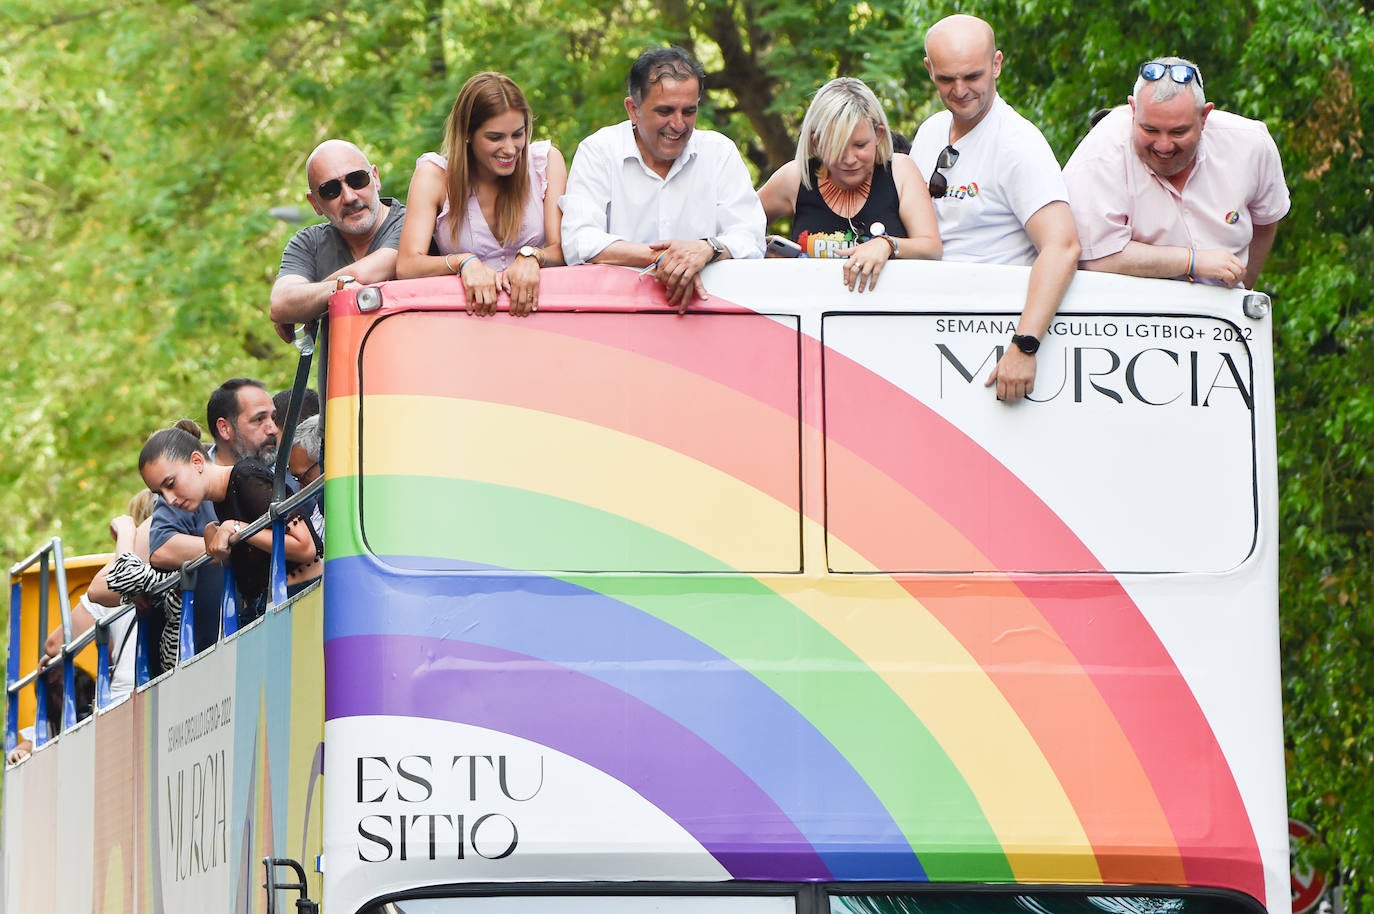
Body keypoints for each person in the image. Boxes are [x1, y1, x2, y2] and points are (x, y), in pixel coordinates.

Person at [913, 14, 1081, 402]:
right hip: (927, 329)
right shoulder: (930, 131)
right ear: (929, 69)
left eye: (972, 77)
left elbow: (1063, 247)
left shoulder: (1018, 145)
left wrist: (1024, 346)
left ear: (997, 64)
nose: (960, 90)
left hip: (993, 341)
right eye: (946, 79)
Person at [560, 46, 766, 312]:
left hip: (706, 314)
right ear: (633, 109)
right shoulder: (599, 151)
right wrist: (669, 258)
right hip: (617, 315)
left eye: (689, 112)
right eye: (665, 111)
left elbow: (751, 236)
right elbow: (579, 241)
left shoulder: (719, 152)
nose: (679, 124)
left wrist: (708, 249)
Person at [1062, 57, 1290, 289]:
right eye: (1149, 129)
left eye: (1178, 132)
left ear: (1204, 117)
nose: (1164, 145)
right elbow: (1095, 258)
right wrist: (1192, 261)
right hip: (1127, 315)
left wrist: (1242, 293)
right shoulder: (1100, 152)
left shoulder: (1250, 144)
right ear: (1133, 110)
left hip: (1221, 314)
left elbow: (1267, 218)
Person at [397, 72, 567, 316]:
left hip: (541, 317)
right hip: (466, 322)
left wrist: (532, 256)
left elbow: (563, 249)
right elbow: (407, 265)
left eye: (517, 134)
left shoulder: (546, 162)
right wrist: (463, 262)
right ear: (467, 133)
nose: (510, 149)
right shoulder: (434, 176)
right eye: (495, 137)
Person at [756, 77, 941, 292]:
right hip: (810, 316)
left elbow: (931, 247)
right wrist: (762, 251)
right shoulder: (795, 176)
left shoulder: (900, 170)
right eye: (837, 147)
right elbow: (738, 227)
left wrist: (887, 245)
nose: (850, 158)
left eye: (860, 145)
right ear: (816, 142)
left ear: (879, 134)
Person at [141, 422, 322, 626]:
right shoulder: (222, 498)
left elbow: (306, 547)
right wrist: (219, 529)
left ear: (197, 461)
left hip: (302, 601)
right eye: (160, 493)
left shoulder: (245, 477)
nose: (169, 499)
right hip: (273, 607)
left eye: (171, 484)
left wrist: (237, 528)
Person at [269, 140, 407, 343]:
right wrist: (337, 288)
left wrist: (306, 304)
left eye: (357, 179)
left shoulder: (413, 223)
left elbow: (369, 272)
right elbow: (281, 303)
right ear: (315, 203)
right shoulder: (308, 243)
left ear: (375, 178)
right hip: (344, 375)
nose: (349, 197)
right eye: (331, 190)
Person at [207, 377, 280, 467]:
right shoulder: (195, 479)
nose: (273, 430)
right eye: (259, 419)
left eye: (273, 418)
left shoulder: (288, 476)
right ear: (224, 428)